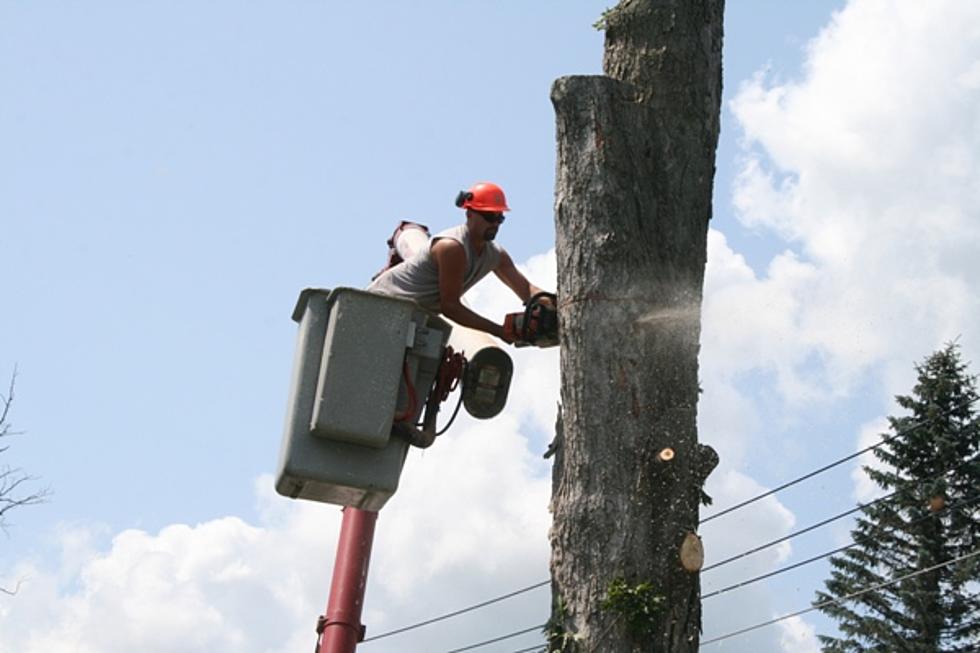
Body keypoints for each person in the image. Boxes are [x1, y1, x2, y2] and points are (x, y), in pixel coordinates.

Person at [368, 181, 550, 343]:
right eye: (489, 217)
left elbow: (526, 290)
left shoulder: (495, 254)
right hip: (378, 307)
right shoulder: (452, 247)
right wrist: (499, 331)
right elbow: (451, 307)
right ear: (470, 214)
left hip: (410, 316)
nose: (495, 224)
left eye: (499, 217)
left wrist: (553, 303)